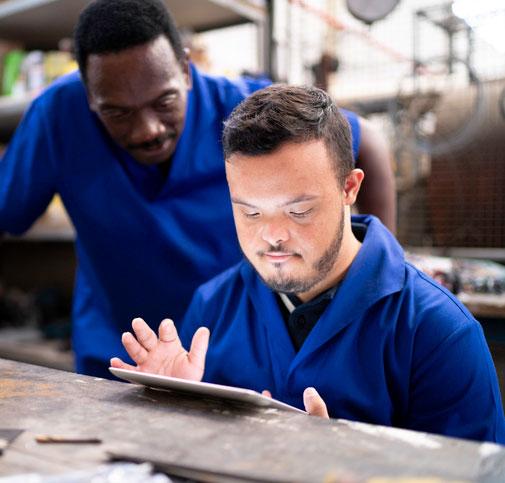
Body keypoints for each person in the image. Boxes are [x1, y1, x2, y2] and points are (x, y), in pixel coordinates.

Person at [0, 0, 394, 378]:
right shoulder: (56, 116)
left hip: (234, 357)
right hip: (118, 356)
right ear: (87, 95)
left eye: (165, 102)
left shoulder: (241, 113)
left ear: (186, 70)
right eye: (117, 113)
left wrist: (371, 279)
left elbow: (368, 144)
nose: (147, 130)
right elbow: (8, 212)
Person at [112, 85, 505, 443]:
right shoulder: (213, 307)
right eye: (249, 213)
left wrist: (348, 468)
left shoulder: (438, 332)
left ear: (349, 187)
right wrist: (173, 414)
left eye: (298, 210)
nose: (273, 236)